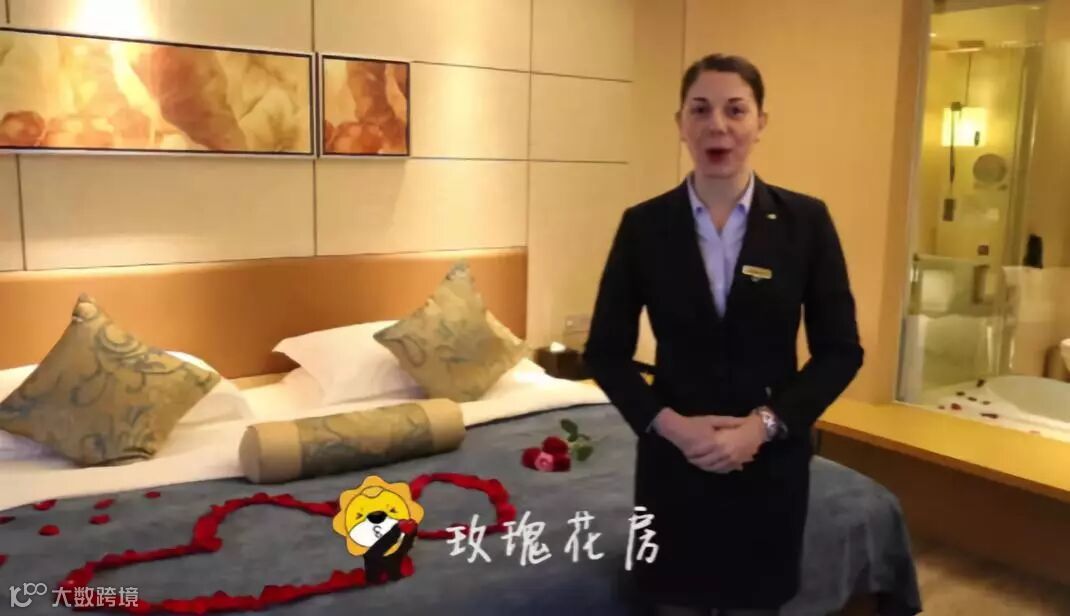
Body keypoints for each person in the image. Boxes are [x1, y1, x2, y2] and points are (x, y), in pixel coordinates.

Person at [584, 54, 864, 615]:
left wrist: (763, 427)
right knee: (674, 604)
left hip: (770, 464)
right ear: (680, 124)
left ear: (761, 123)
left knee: (755, 604)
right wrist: (672, 427)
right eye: (700, 110)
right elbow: (605, 353)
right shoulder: (644, 226)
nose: (718, 125)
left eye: (736, 110)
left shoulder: (806, 222)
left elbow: (840, 351)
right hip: (673, 464)